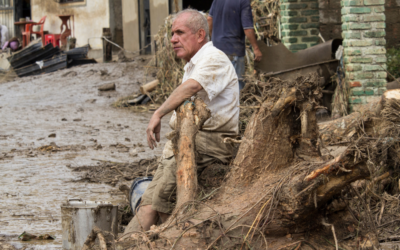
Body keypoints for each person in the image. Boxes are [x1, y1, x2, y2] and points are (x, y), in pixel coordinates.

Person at [129, 9, 239, 232]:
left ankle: (175, 238)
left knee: (162, 200)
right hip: (184, 141)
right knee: (148, 201)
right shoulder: (193, 64)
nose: (173, 39)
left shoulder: (214, 58)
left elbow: (191, 87)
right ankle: (124, 243)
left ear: (200, 35)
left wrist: (158, 113)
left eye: (179, 33)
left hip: (208, 143)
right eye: (172, 34)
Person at [207, 0, 263, 90]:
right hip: (233, 50)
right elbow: (248, 29)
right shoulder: (243, 2)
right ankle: (236, 104)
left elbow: (209, 19)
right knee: (236, 86)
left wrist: (213, 37)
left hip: (216, 50)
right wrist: (256, 49)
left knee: (218, 85)